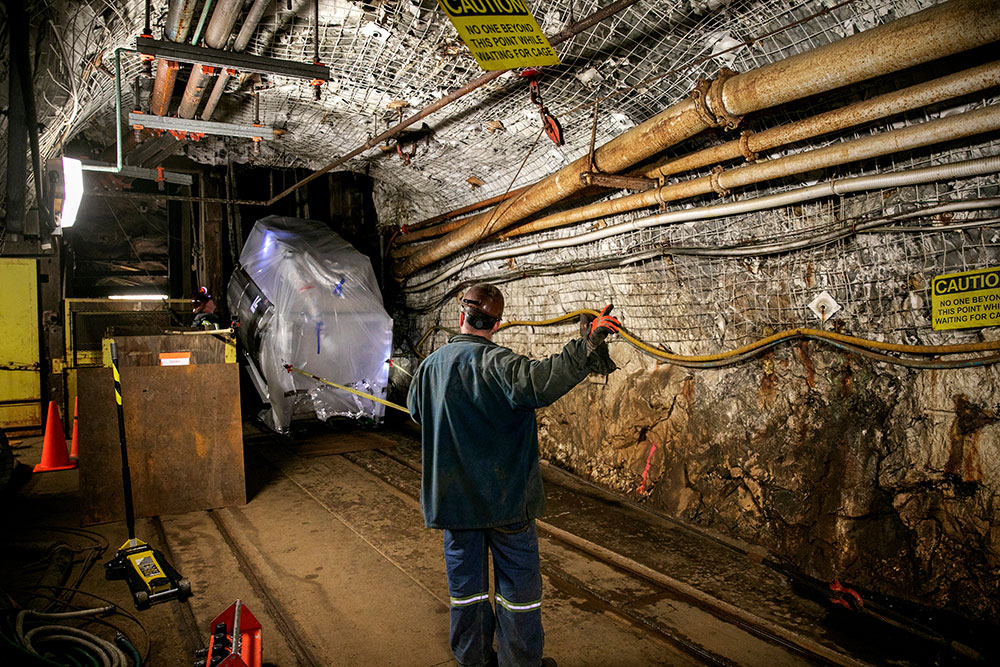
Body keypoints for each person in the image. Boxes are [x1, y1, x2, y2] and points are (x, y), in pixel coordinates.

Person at [407, 283, 621, 667]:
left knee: (466, 592)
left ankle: (471, 658)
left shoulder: (429, 368)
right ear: (497, 325)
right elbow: (543, 381)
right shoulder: (501, 365)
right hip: (505, 502)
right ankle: (518, 662)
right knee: (519, 593)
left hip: (454, 504)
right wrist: (586, 346)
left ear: (461, 317)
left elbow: (417, 413)